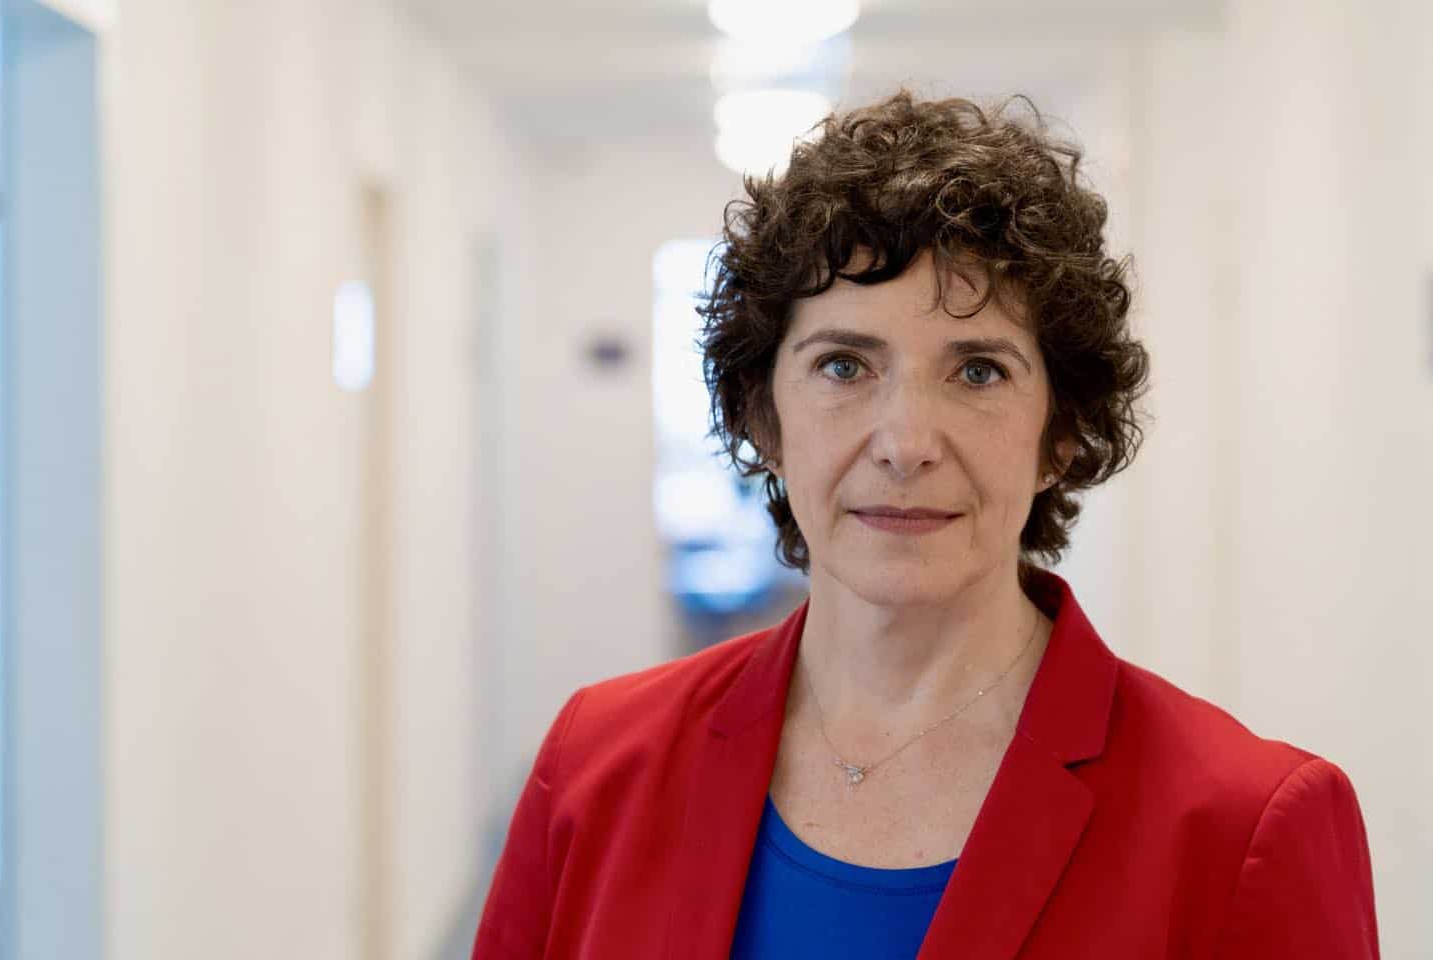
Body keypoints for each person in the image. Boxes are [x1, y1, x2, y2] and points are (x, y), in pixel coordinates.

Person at [471, 91, 1379, 959]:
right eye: (843, 366)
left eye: (978, 371)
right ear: (762, 415)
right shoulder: (596, 765)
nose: (905, 444)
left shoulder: (1244, 826)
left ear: (1061, 432)